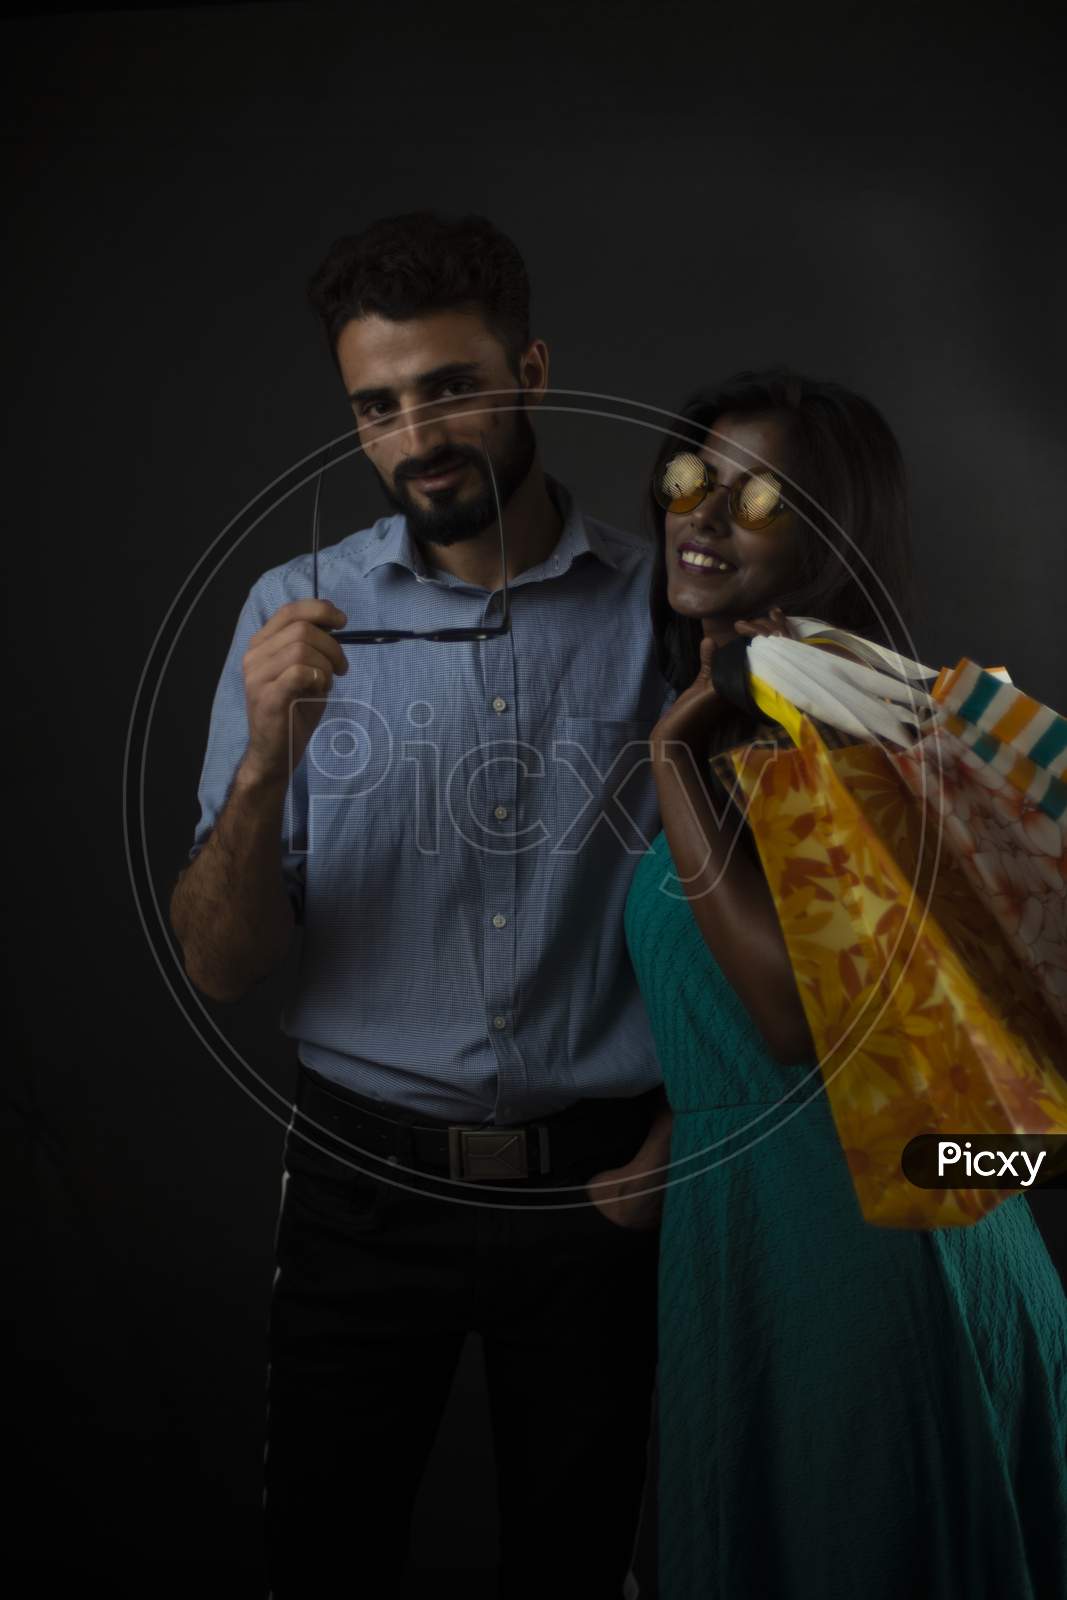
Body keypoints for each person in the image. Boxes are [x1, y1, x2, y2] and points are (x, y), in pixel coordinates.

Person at [169, 211, 675, 1599]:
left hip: (597, 1200)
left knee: (577, 1570)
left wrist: (671, 1142)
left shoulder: (658, 615)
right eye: (377, 406)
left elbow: (775, 914)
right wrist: (270, 755)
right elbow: (220, 966)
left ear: (531, 369)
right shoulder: (290, 612)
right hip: (359, 1193)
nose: (416, 435)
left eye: (449, 386)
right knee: (323, 1564)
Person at [607, 369, 1067, 1598]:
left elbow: (784, 1013)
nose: (698, 519)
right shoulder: (757, 713)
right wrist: (676, 1130)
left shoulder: (821, 716)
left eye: (755, 499)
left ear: (828, 537)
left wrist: (664, 753)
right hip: (780, 1230)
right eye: (689, 482)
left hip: (864, 1263)